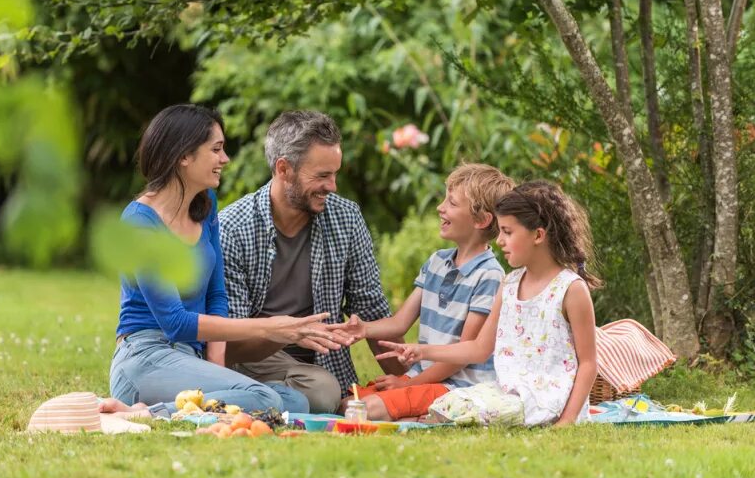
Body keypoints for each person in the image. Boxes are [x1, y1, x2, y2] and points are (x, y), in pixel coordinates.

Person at [105, 104, 350, 419]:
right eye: (216, 149)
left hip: (190, 356)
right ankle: (145, 413)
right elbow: (176, 323)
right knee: (262, 397)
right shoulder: (140, 222)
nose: (225, 159)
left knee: (296, 403)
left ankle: (181, 408)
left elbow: (216, 296)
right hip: (146, 356)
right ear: (184, 156)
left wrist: (217, 369)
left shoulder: (205, 207)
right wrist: (270, 328)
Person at [218, 110, 404, 414]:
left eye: (335, 174)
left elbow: (370, 308)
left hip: (320, 365)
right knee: (323, 392)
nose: (332, 186)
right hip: (253, 358)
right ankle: (256, 396)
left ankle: (265, 400)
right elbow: (229, 342)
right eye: (321, 176)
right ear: (284, 169)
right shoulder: (232, 228)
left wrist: (410, 382)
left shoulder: (346, 217)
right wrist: (287, 333)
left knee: (324, 389)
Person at [377, 180, 600, 427]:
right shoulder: (510, 284)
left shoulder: (570, 289)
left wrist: (568, 419)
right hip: (507, 392)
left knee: (467, 411)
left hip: (548, 398)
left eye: (508, 232)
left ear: (538, 235)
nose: (500, 241)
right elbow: (479, 348)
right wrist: (423, 351)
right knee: (446, 404)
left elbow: (589, 362)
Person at [338, 164, 515, 421]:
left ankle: (422, 415)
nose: (440, 207)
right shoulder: (437, 262)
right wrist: (364, 329)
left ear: (481, 220)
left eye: (452, 203)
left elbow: (462, 356)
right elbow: (399, 323)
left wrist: (409, 385)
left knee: (364, 410)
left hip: (457, 389)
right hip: (423, 379)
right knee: (348, 402)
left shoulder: (489, 275)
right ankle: (414, 414)